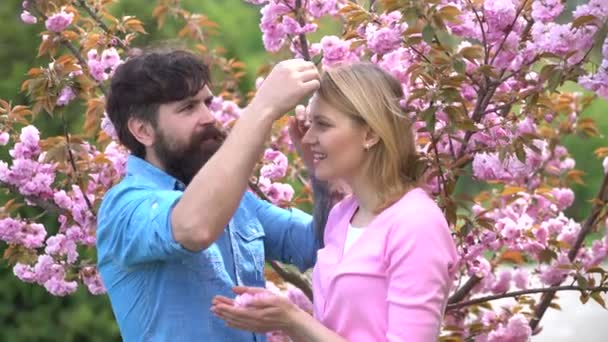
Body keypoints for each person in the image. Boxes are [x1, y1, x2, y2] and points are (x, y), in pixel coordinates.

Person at [96, 47, 333, 341]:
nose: (209, 117)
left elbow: (320, 244)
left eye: (207, 103)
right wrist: (263, 108)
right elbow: (194, 227)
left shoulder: (237, 202)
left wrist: (324, 170)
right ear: (143, 130)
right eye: (187, 108)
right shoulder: (124, 207)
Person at [211, 62, 459, 341]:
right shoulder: (342, 215)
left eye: (323, 125)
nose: (308, 137)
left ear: (369, 134)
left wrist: (293, 320)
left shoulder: (416, 224)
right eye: (311, 124)